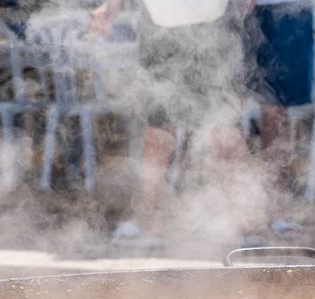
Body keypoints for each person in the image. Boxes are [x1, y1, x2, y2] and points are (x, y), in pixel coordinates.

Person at [90, 0, 252, 240]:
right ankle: (151, 223)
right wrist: (111, 7)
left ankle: (241, 223)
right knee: (157, 133)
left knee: (223, 128)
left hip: (214, 24)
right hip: (159, 25)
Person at [245, 0, 314, 199]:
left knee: (276, 110)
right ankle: (272, 190)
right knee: (271, 110)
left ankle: (275, 190)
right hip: (260, 11)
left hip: (289, 12)